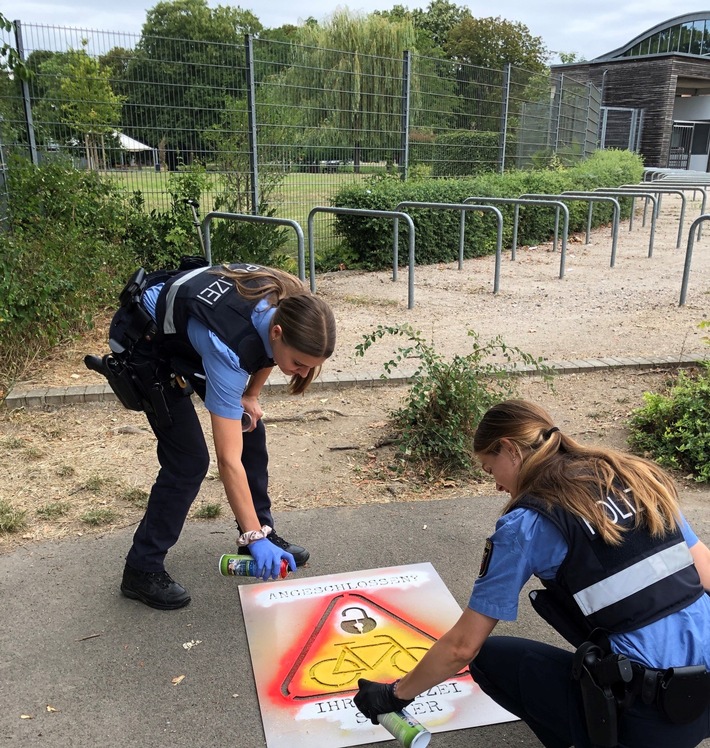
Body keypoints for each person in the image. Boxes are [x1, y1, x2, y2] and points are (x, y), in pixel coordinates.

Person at [355, 399, 710, 747]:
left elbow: (462, 648)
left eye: (488, 468)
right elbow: (705, 573)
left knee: (491, 658)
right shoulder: (633, 475)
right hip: (704, 696)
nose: (495, 485)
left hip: (653, 719)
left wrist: (394, 696)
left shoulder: (528, 524)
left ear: (509, 449)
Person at [86, 262, 336, 610]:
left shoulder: (290, 300)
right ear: (278, 332)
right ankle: (141, 569)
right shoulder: (228, 347)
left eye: (312, 366)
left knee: (249, 428)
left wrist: (250, 396)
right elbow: (227, 460)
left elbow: (265, 353)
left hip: (194, 335)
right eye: (299, 363)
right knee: (188, 461)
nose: (304, 372)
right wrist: (251, 533)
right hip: (146, 340)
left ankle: (260, 534)